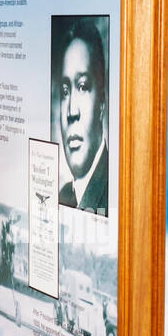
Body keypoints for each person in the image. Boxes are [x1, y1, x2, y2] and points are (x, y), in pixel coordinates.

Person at [55, 18, 109, 215]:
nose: (71, 111)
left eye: (83, 87)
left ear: (101, 103)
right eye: (65, 91)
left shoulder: (114, 190)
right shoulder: (64, 195)